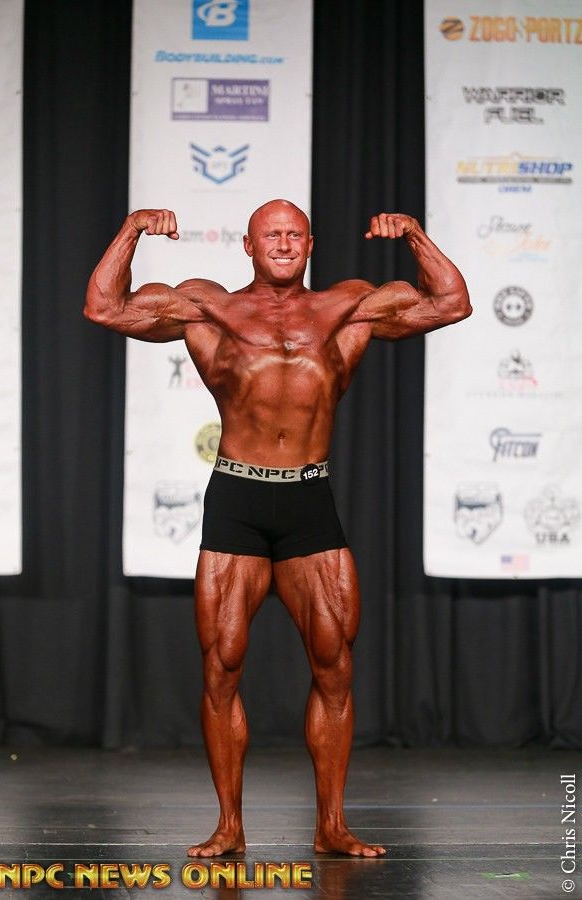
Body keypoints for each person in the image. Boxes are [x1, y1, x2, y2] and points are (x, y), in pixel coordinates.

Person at [85, 200, 471, 858]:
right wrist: (130, 229)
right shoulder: (209, 307)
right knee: (222, 666)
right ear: (248, 245)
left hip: (308, 502)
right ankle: (229, 826)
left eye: (295, 234)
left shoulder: (348, 307)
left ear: (311, 244)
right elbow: (105, 307)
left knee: (334, 667)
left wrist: (412, 234)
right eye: (272, 235)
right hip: (237, 498)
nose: (284, 244)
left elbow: (451, 302)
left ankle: (332, 826)